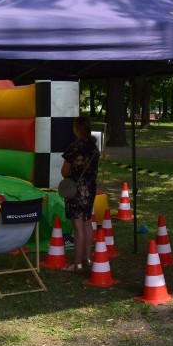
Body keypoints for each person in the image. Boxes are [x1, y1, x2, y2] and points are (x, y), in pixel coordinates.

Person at [60, 115, 100, 272]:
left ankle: (76, 264)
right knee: (87, 223)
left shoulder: (74, 147)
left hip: (75, 190)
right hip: (90, 189)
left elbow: (64, 172)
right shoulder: (94, 148)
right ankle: (87, 258)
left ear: (76, 129)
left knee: (77, 227)